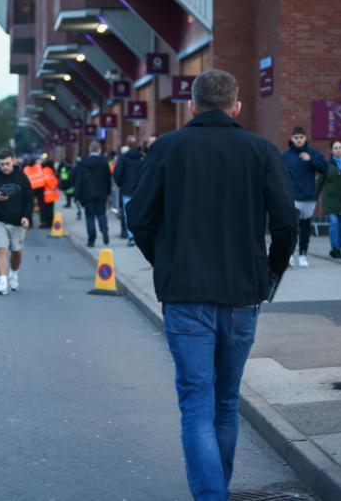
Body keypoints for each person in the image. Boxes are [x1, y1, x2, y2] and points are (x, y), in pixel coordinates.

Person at [126, 69, 297, 501]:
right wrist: (271, 273)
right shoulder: (260, 150)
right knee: (225, 400)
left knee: (197, 403)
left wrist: (164, 261)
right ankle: (215, 489)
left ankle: (211, 494)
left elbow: (139, 217)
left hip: (185, 293)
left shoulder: (168, 148)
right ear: (237, 106)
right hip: (243, 293)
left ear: (192, 105)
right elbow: (286, 224)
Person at [0, 149, 33, 295]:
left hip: (17, 221)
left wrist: (27, 217)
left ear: (14, 161)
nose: (4, 167)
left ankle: (14, 274)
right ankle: (2, 282)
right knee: (1, 249)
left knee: (16, 252)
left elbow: (29, 200)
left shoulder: (22, 178)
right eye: (2, 164)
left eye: (7, 164)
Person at [282, 126, 327, 267]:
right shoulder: (286, 156)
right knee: (292, 228)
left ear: (305, 138)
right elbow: (279, 174)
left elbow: (324, 168)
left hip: (309, 197)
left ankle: (302, 255)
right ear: (292, 139)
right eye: (296, 137)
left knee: (305, 228)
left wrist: (311, 160)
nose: (299, 140)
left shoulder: (313, 153)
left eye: (301, 137)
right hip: (293, 197)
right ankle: (289, 255)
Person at [74, 141, 111, 247]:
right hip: (101, 193)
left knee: (90, 217)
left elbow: (79, 180)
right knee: (101, 214)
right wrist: (108, 193)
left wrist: (77, 195)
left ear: (90, 150)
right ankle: (104, 229)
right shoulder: (104, 162)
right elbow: (108, 179)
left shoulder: (83, 163)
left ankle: (91, 240)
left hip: (87, 194)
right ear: (99, 149)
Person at [316, 139, 341, 258]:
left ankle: (338, 249)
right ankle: (334, 247)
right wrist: (313, 197)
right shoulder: (327, 165)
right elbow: (320, 182)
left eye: (340, 147)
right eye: (335, 148)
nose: (338, 150)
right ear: (332, 150)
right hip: (331, 200)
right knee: (334, 222)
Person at [114, 135, 146, 247]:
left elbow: (117, 174)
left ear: (127, 145)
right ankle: (140, 236)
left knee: (128, 214)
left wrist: (120, 184)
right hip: (140, 189)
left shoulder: (123, 158)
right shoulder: (142, 157)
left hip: (127, 189)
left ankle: (131, 236)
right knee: (141, 212)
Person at [23, 158, 45, 227]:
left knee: (30, 206)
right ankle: (42, 221)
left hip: (31, 189)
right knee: (41, 205)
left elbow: (24, 180)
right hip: (40, 187)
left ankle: (30, 223)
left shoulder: (25, 169)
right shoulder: (39, 166)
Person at [41, 159, 60, 229]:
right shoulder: (48, 170)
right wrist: (53, 187)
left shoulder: (46, 170)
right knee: (49, 209)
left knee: (47, 209)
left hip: (47, 194)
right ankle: (48, 223)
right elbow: (48, 179)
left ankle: (47, 222)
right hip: (49, 194)